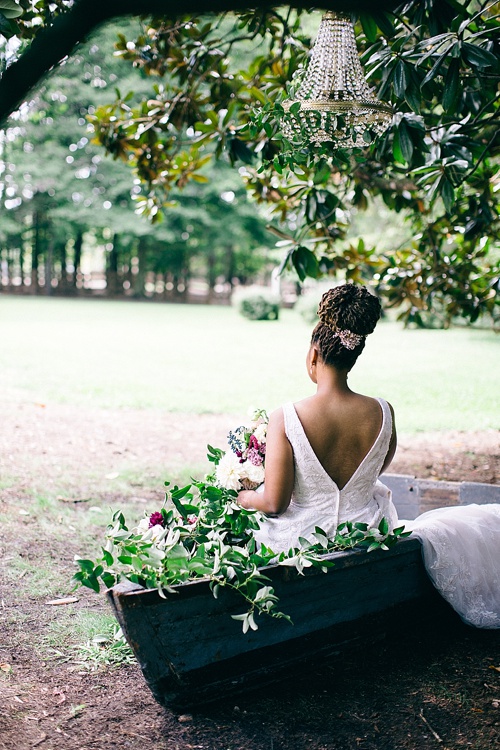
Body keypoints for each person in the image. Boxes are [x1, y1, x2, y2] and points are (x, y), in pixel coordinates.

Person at [237, 283, 500, 629]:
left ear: (313, 355)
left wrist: (244, 497)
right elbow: (374, 471)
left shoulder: (285, 416)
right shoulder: (383, 412)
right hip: (367, 533)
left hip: (299, 543)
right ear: (354, 357)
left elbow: (274, 503)